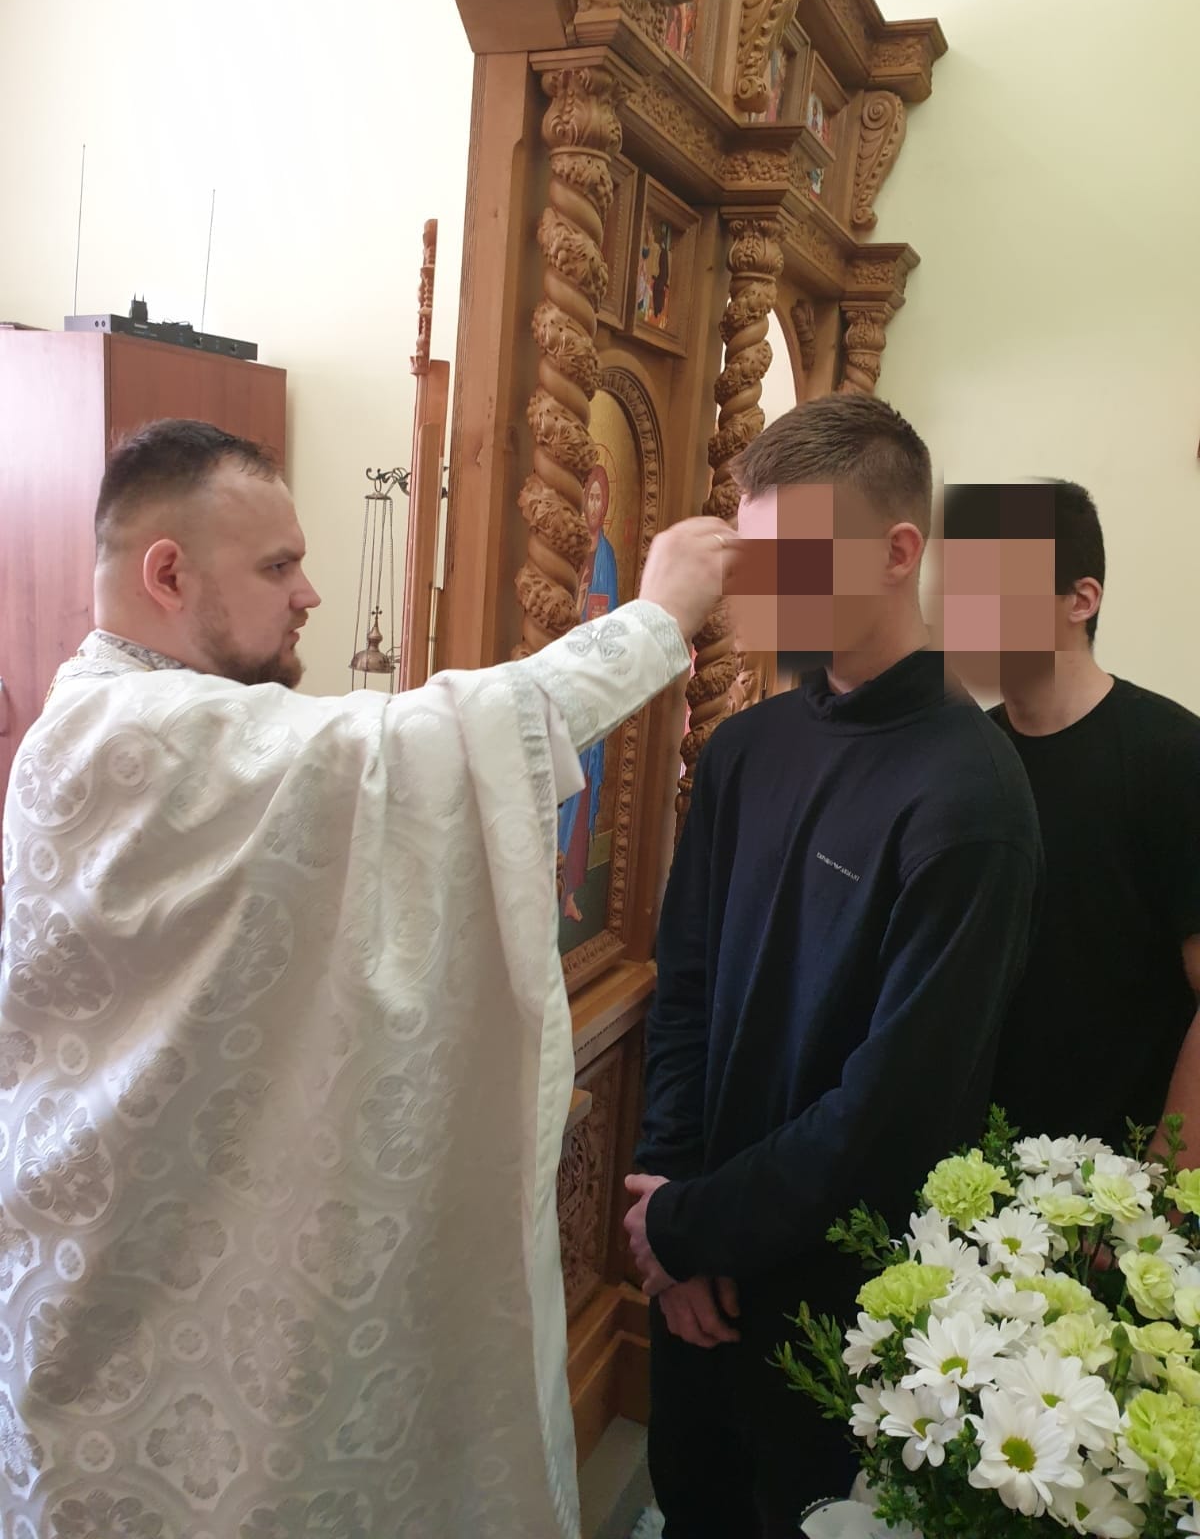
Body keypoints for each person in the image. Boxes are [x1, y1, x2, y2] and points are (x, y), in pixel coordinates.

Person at [0, 418, 732, 1537]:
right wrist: (658, 616)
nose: (309, 595)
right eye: (277, 567)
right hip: (128, 1298)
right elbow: (443, 743)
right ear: (167, 573)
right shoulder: (143, 734)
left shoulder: (93, 715)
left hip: (111, 1264)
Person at [622, 395, 1042, 1537]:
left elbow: (894, 1107)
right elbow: (686, 986)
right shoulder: (747, 747)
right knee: (693, 1498)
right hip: (695, 1250)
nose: (758, 592)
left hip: (838, 1288)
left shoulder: (970, 795)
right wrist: (670, 1207)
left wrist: (697, 1227)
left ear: (899, 551)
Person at [939, 479, 1200, 1151]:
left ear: (1081, 600)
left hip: (1117, 1178)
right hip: (968, 1168)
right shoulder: (963, 758)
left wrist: (1167, 1181)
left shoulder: (1174, 755)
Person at [558, 463, 619, 924]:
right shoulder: (569, 549)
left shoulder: (608, 557)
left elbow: (611, 621)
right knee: (559, 787)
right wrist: (577, 609)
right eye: (590, 497)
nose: (594, 506)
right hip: (564, 682)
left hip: (592, 685)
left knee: (582, 787)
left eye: (601, 498)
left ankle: (570, 891)